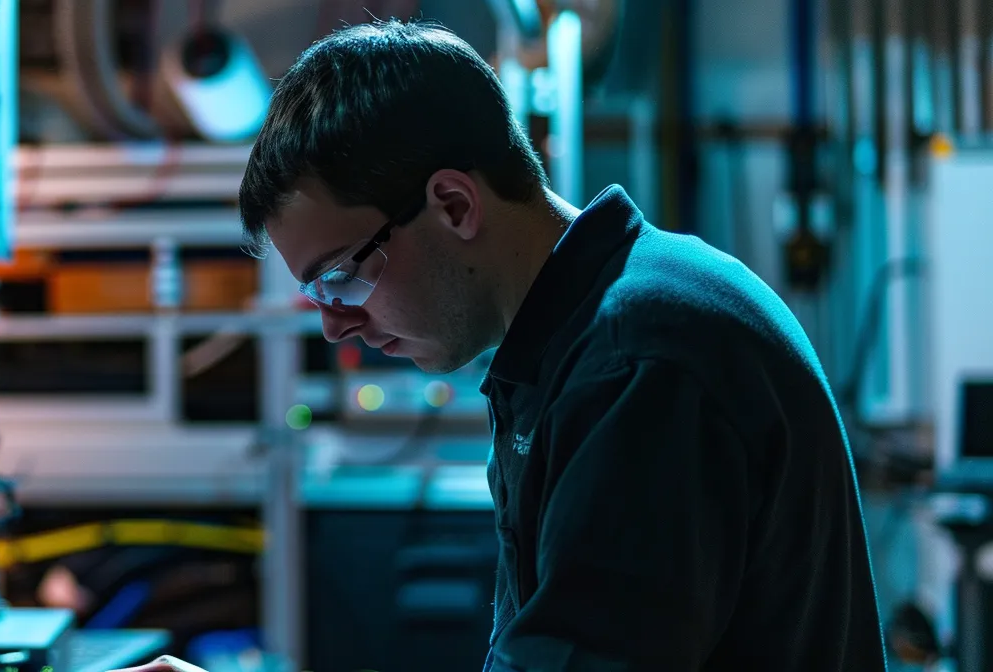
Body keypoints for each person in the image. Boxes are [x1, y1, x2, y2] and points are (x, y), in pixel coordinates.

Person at [114, 19, 886, 672]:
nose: (335, 324)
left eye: (341, 278)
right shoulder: (576, 341)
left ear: (452, 203)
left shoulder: (638, 363)